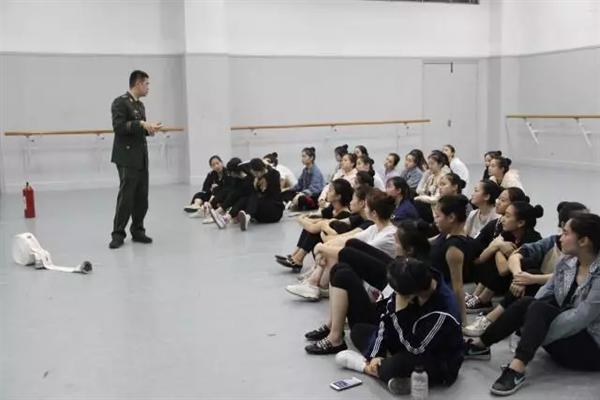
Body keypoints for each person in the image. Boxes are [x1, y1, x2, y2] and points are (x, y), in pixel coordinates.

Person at [464, 213, 600, 396]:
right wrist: (531, 326)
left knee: (537, 308)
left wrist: (535, 334)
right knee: (529, 303)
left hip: (591, 348)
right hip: (564, 337)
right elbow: (544, 294)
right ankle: (480, 345)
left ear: (584, 241)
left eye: (566, 233)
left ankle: (516, 369)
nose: (560, 238)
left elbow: (580, 318)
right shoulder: (567, 262)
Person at [335, 257, 464, 394]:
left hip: (434, 357)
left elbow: (416, 348)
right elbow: (385, 321)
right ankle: (394, 372)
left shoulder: (443, 311)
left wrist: (400, 313)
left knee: (392, 367)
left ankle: (364, 367)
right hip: (407, 336)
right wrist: (376, 355)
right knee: (358, 330)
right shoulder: (415, 281)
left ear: (409, 293)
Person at [302, 219, 431, 355]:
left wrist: (321, 248)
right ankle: (332, 326)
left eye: (397, 243)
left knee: (342, 273)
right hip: (385, 303)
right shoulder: (410, 263)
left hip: (384, 317)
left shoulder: (410, 275)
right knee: (352, 247)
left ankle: (335, 339)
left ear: (409, 250)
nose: (394, 246)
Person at [463, 201, 588, 337]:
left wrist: (529, 278)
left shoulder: (588, 249)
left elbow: (570, 276)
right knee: (517, 269)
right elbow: (510, 257)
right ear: (564, 226)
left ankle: (490, 318)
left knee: (527, 273)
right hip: (544, 291)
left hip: (572, 299)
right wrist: (520, 276)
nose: (503, 218)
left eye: (508, 215)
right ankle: (489, 320)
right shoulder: (551, 241)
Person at [285, 189, 397, 301]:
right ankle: (313, 283)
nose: (365, 209)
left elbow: (357, 252)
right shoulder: (374, 228)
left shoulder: (388, 235)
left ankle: (314, 283)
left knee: (339, 253)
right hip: (366, 270)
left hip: (376, 280)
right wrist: (324, 247)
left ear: (374, 213)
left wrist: (322, 248)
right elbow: (346, 239)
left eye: (366, 207)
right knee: (336, 247)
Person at [109, 70, 162, 249]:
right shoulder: (120, 102)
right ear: (138, 83)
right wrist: (140, 124)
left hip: (141, 157)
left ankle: (138, 230)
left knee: (141, 197)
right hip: (127, 157)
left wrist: (149, 130)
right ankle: (118, 234)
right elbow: (119, 127)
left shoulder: (140, 105)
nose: (148, 87)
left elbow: (140, 130)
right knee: (126, 197)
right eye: (146, 84)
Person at [465, 202, 544, 314]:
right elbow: (481, 259)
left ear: (521, 223)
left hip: (521, 282)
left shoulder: (532, 239)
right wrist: (499, 246)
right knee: (487, 258)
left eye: (507, 216)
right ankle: (477, 296)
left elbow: (504, 270)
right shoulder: (508, 234)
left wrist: (498, 247)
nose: (502, 220)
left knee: (497, 260)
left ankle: (484, 300)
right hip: (504, 277)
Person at [275, 179, 353, 270]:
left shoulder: (344, 214)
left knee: (314, 229)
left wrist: (301, 219)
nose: (327, 192)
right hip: (322, 243)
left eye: (330, 190)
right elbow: (318, 217)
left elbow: (318, 225)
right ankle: (294, 255)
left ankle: (298, 259)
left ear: (338, 196)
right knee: (311, 225)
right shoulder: (333, 208)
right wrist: (308, 218)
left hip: (331, 246)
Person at [431, 194, 477, 323]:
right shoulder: (445, 235)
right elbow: (428, 242)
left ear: (451, 217)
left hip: (440, 296)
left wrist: (462, 320)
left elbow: (457, 287)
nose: (435, 220)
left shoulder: (454, 248)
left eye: (438, 216)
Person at [414, 150, 451, 223]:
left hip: (438, 207)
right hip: (429, 205)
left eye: (432, 164)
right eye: (429, 164)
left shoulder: (443, 177)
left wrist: (421, 198)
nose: (430, 166)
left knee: (418, 203)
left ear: (440, 164)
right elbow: (422, 191)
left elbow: (437, 199)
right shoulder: (431, 177)